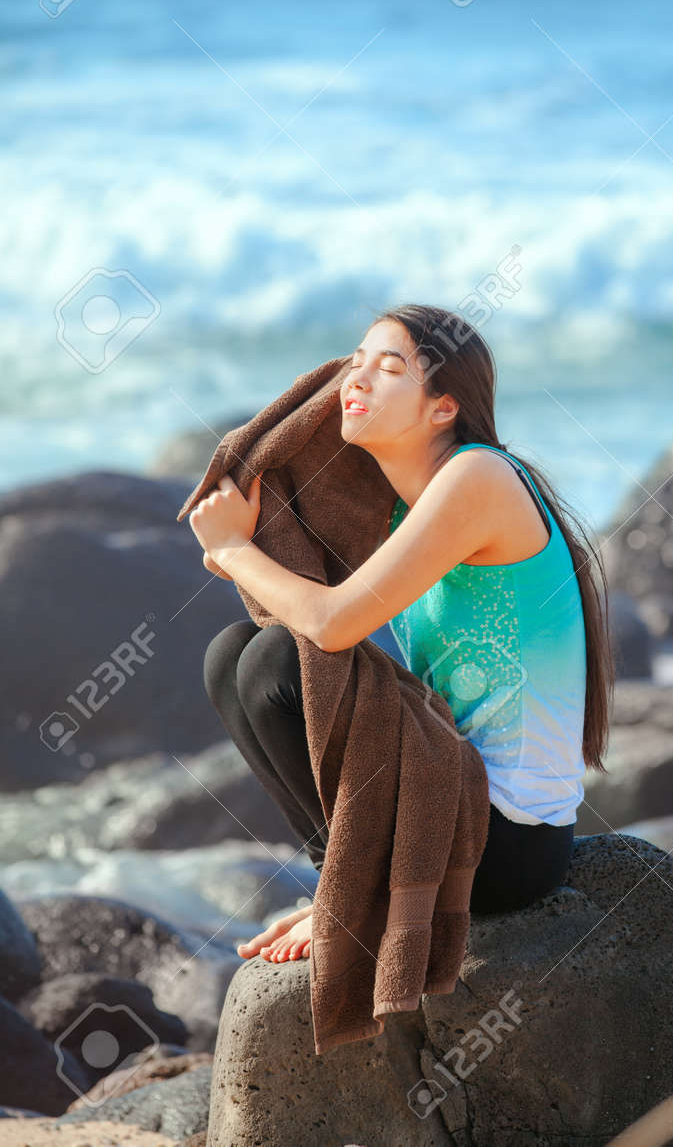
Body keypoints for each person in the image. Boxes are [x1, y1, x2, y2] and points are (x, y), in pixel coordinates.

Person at [191, 303, 614, 968]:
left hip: (505, 845)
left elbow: (332, 622)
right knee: (232, 655)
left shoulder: (480, 478)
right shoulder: (398, 507)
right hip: (450, 804)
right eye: (352, 364)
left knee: (275, 659)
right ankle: (347, 885)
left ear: (442, 407)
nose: (353, 382)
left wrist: (234, 550)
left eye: (388, 368)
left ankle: (352, 897)